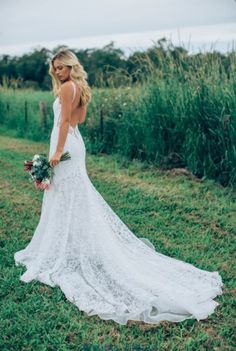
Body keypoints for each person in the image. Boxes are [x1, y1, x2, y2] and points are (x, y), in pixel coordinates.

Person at [14, 50, 224, 326]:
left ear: (70, 66)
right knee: (71, 196)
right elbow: (79, 121)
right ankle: (70, 244)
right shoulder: (78, 87)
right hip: (75, 144)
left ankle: (66, 247)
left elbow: (65, 122)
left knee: (66, 196)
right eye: (54, 68)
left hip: (65, 146)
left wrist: (56, 153)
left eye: (61, 68)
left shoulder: (67, 88)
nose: (57, 72)